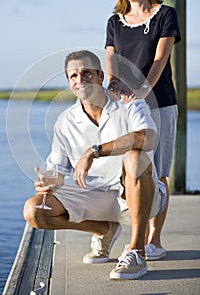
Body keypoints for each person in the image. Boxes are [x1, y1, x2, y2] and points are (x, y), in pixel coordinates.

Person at [23, 49, 166, 280]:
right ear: (69, 82)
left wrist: (95, 151)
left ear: (101, 76)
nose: (80, 80)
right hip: (96, 198)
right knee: (35, 210)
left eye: (87, 73)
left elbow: (148, 138)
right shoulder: (65, 122)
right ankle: (103, 230)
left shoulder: (128, 102)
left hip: (138, 197)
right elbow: (58, 170)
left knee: (135, 158)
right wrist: (48, 180)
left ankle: (136, 252)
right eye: (74, 76)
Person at [105, 0, 181, 261]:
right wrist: (112, 82)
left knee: (159, 172)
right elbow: (111, 59)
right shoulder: (114, 22)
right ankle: (133, 233)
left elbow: (161, 59)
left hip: (160, 103)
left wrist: (142, 90)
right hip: (125, 108)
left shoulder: (165, 15)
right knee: (130, 172)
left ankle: (153, 241)